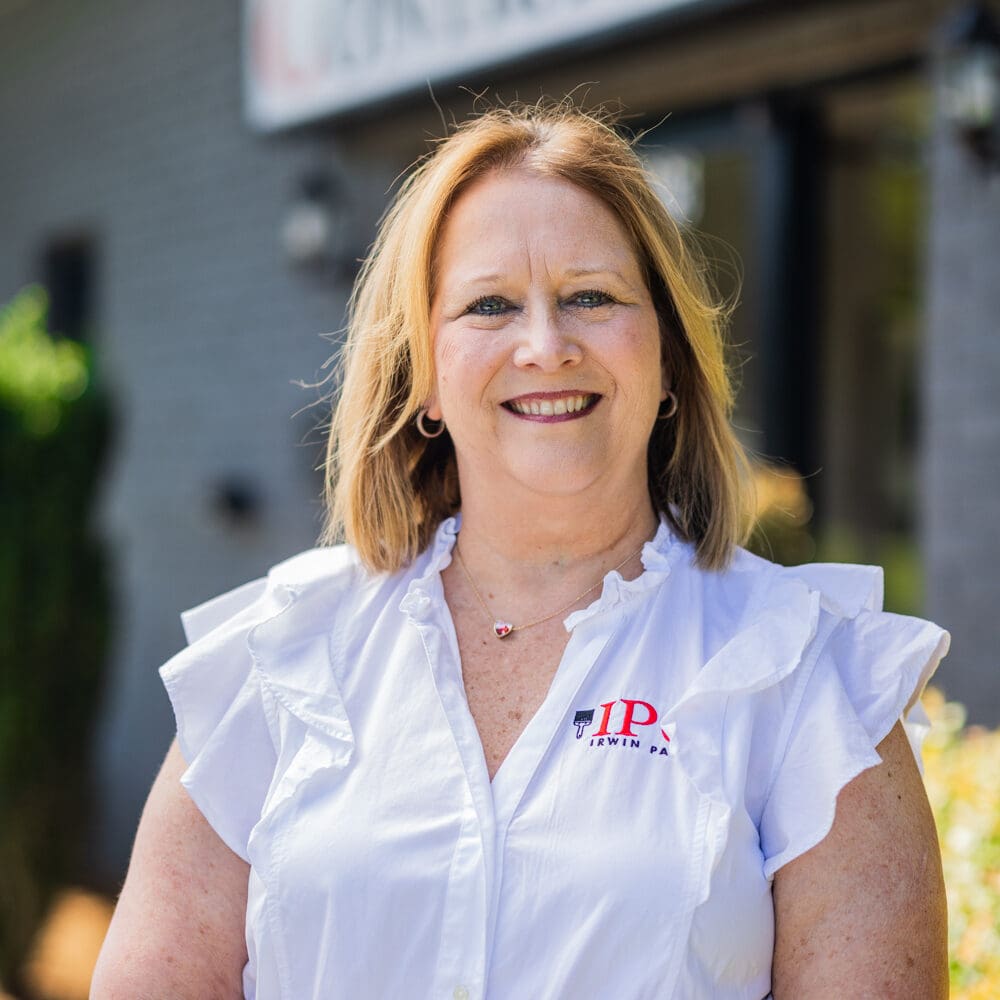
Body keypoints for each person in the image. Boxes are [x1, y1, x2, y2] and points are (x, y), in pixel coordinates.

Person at [92, 100, 950, 999]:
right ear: (424, 374)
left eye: (592, 296)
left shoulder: (809, 677)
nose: (546, 346)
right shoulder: (279, 658)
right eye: (490, 305)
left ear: (665, 357)